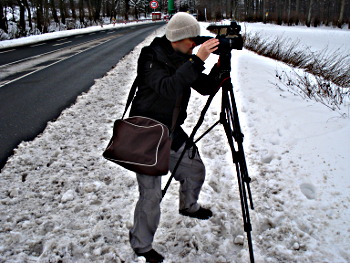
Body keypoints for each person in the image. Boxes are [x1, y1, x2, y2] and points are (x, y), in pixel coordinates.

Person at [128, 12, 220, 263]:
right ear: (177, 39)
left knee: (195, 168)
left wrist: (221, 67)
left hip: (170, 129)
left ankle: (188, 206)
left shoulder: (183, 57)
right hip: (147, 132)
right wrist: (197, 60)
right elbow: (169, 86)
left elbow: (205, 86)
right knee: (151, 195)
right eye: (192, 40)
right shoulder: (151, 57)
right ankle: (141, 245)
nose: (195, 44)